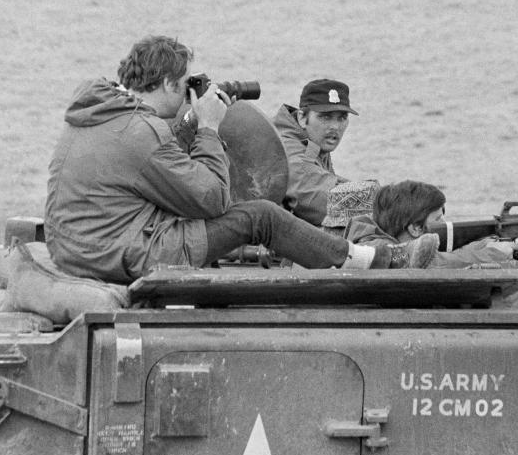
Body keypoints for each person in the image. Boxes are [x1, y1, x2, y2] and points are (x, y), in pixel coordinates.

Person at [44, 35, 438, 284]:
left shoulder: (98, 115)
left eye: (340, 118)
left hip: (85, 246)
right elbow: (213, 198)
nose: (334, 126)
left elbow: (153, 176)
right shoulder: (138, 132)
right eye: (183, 87)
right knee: (261, 216)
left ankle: (370, 255)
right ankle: (373, 262)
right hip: (122, 253)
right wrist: (209, 127)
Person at [346, 180, 518, 268]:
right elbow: (432, 262)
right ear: (415, 228)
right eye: (437, 219)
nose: (444, 224)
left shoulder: (370, 239)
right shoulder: (379, 248)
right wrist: (491, 254)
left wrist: (480, 246)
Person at [272, 79, 355, 225]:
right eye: (325, 117)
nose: (335, 126)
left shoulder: (313, 142)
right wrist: (387, 201)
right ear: (302, 118)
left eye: (342, 117)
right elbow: (320, 196)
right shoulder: (287, 147)